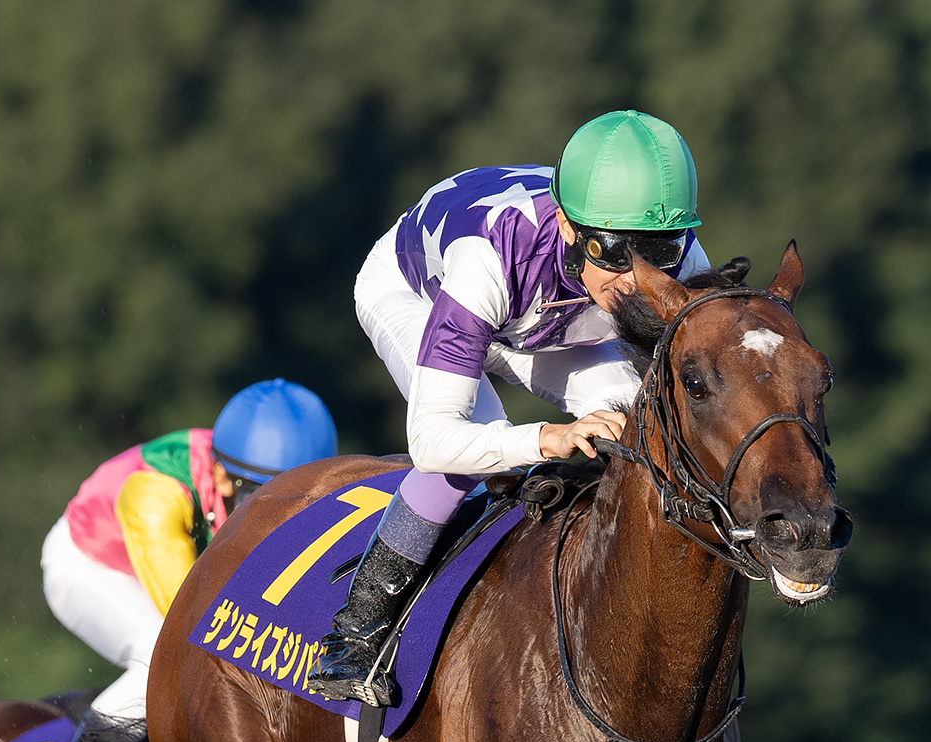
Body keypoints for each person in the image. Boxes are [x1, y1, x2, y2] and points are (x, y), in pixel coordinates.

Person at [305, 109, 714, 704]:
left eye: (659, 250)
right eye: (615, 251)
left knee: (631, 418)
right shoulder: (488, 257)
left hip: (545, 321)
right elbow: (433, 442)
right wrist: (547, 438)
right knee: (475, 443)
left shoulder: (682, 258)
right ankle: (355, 633)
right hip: (422, 296)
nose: (636, 278)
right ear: (568, 227)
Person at [14, 378, 339, 742]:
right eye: (263, 497)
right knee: (161, 658)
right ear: (222, 478)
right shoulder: (154, 497)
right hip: (90, 562)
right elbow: (193, 619)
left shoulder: (238, 469)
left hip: (180, 560)